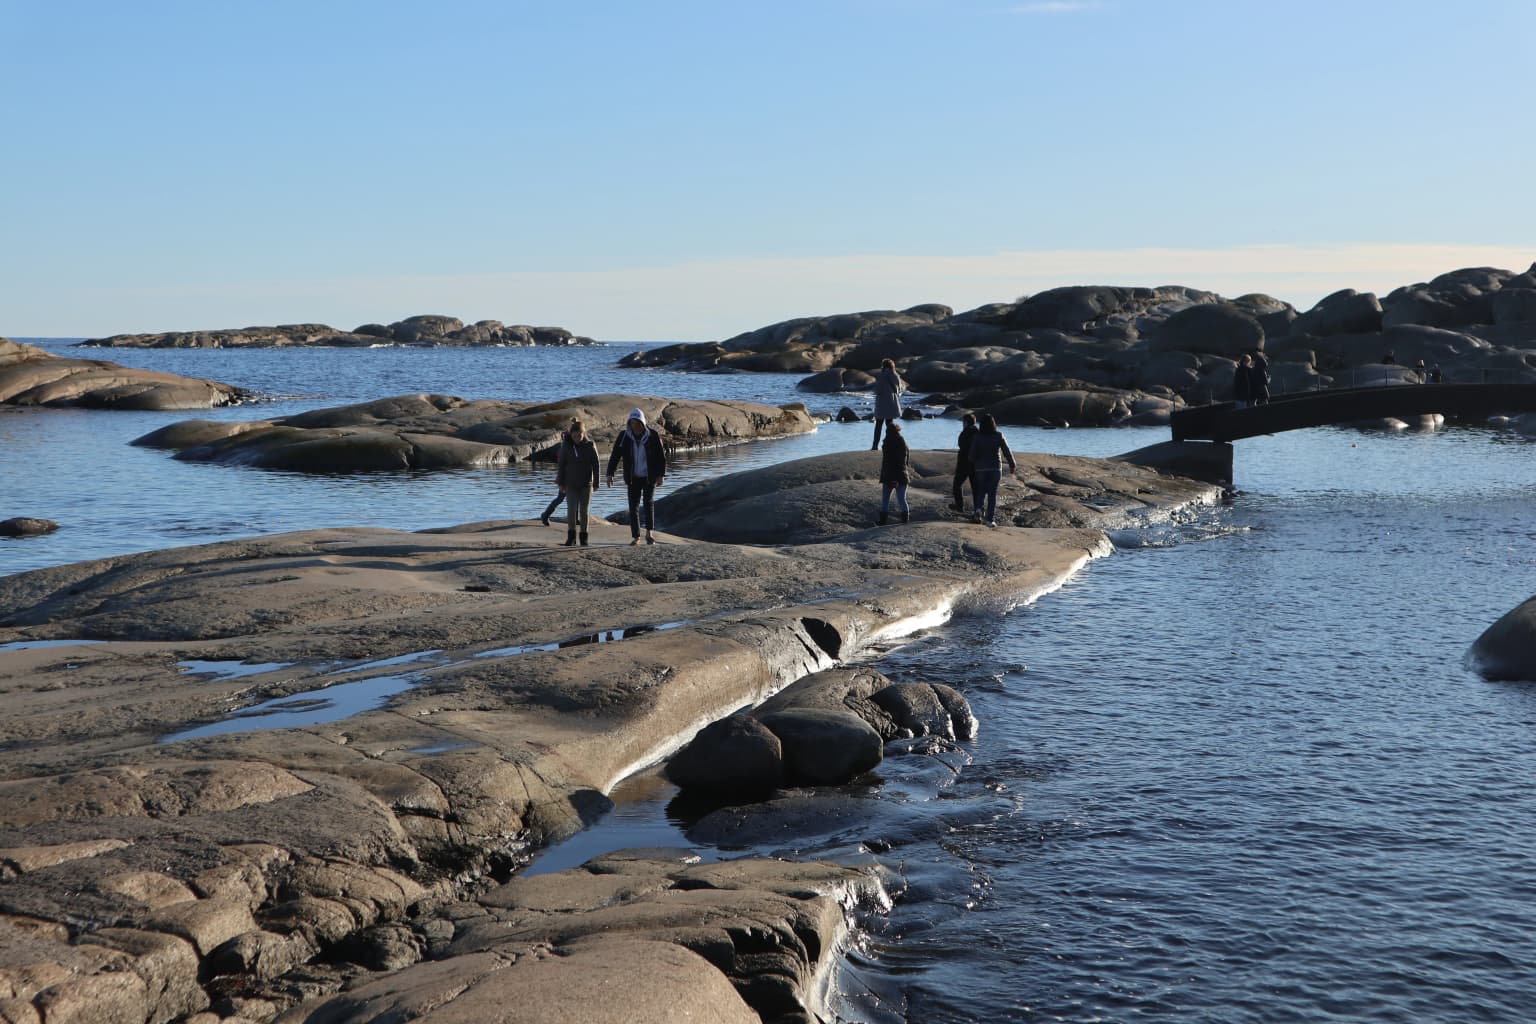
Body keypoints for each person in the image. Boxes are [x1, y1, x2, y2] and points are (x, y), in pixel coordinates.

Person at [606, 407, 667, 546]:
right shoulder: (624, 436)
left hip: (649, 476)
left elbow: (661, 457)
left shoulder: (653, 435)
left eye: (638, 423)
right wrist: (610, 474)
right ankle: (636, 537)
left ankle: (649, 533)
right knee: (633, 507)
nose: (635, 426)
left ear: (643, 422)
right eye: (632, 423)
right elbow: (615, 456)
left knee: (648, 503)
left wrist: (661, 475)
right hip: (632, 477)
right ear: (629, 423)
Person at [555, 419, 600, 547]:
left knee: (584, 512)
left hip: (587, 484)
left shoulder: (590, 446)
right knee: (571, 510)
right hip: (571, 484)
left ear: (583, 433)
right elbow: (562, 465)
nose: (577, 438)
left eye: (579, 435)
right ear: (571, 435)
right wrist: (561, 482)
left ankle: (584, 537)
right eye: (574, 436)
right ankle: (571, 537)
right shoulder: (566, 446)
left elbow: (596, 465)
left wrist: (596, 482)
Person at [968, 413, 1016, 528]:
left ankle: (978, 509)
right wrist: (1012, 464)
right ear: (993, 424)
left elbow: (971, 455)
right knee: (992, 493)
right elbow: (1006, 451)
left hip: (980, 469)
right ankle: (989, 520)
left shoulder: (977, 437)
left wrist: (974, 461)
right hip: (995, 468)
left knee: (980, 490)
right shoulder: (999, 435)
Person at [540, 423, 574, 526]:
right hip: (566, 479)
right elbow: (562, 467)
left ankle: (574, 518)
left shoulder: (567, 448)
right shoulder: (564, 450)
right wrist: (561, 481)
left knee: (569, 499)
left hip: (572, 478)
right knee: (562, 498)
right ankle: (545, 515)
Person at [878, 418, 911, 525]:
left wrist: (892, 478)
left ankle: (883, 521)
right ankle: (905, 520)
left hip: (889, 476)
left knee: (885, 500)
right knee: (902, 499)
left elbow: (889, 462)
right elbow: (904, 462)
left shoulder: (888, 443)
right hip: (903, 475)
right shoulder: (904, 443)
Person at [871, 358, 905, 450]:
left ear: (884, 366)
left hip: (882, 403)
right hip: (892, 402)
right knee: (890, 425)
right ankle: (892, 444)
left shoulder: (882, 376)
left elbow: (877, 390)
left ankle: (875, 446)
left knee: (878, 425)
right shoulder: (896, 375)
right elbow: (899, 389)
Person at [952, 413, 978, 513]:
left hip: (964, 463)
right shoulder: (978, 432)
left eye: (963, 422)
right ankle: (978, 509)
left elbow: (961, 444)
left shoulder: (966, 432)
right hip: (975, 464)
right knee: (976, 488)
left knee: (957, 485)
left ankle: (960, 506)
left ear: (966, 422)